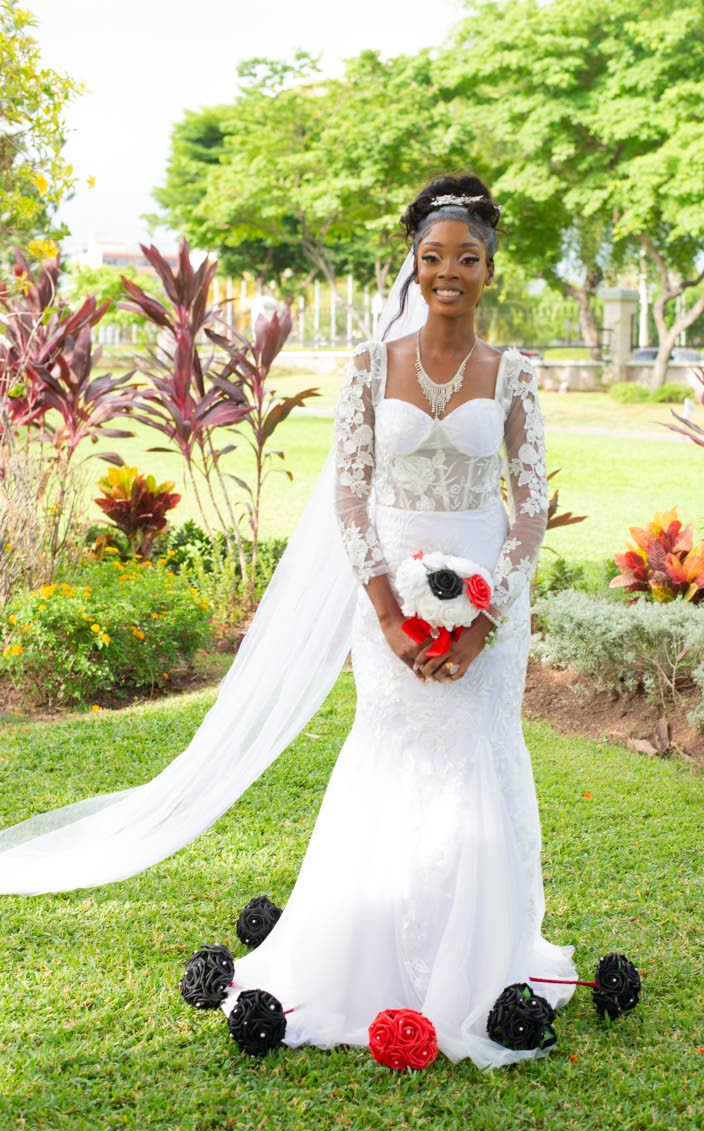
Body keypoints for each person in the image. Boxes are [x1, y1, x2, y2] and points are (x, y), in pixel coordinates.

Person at [0, 172, 577, 1068]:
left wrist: (479, 623)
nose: (448, 272)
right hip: (386, 587)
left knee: (475, 751)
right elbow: (350, 498)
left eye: (467, 258)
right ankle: (364, 953)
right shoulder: (365, 370)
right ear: (414, 268)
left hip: (485, 600)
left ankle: (479, 965)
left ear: (490, 270)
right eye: (432, 258)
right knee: (390, 747)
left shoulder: (514, 377)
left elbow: (531, 504)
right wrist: (389, 614)